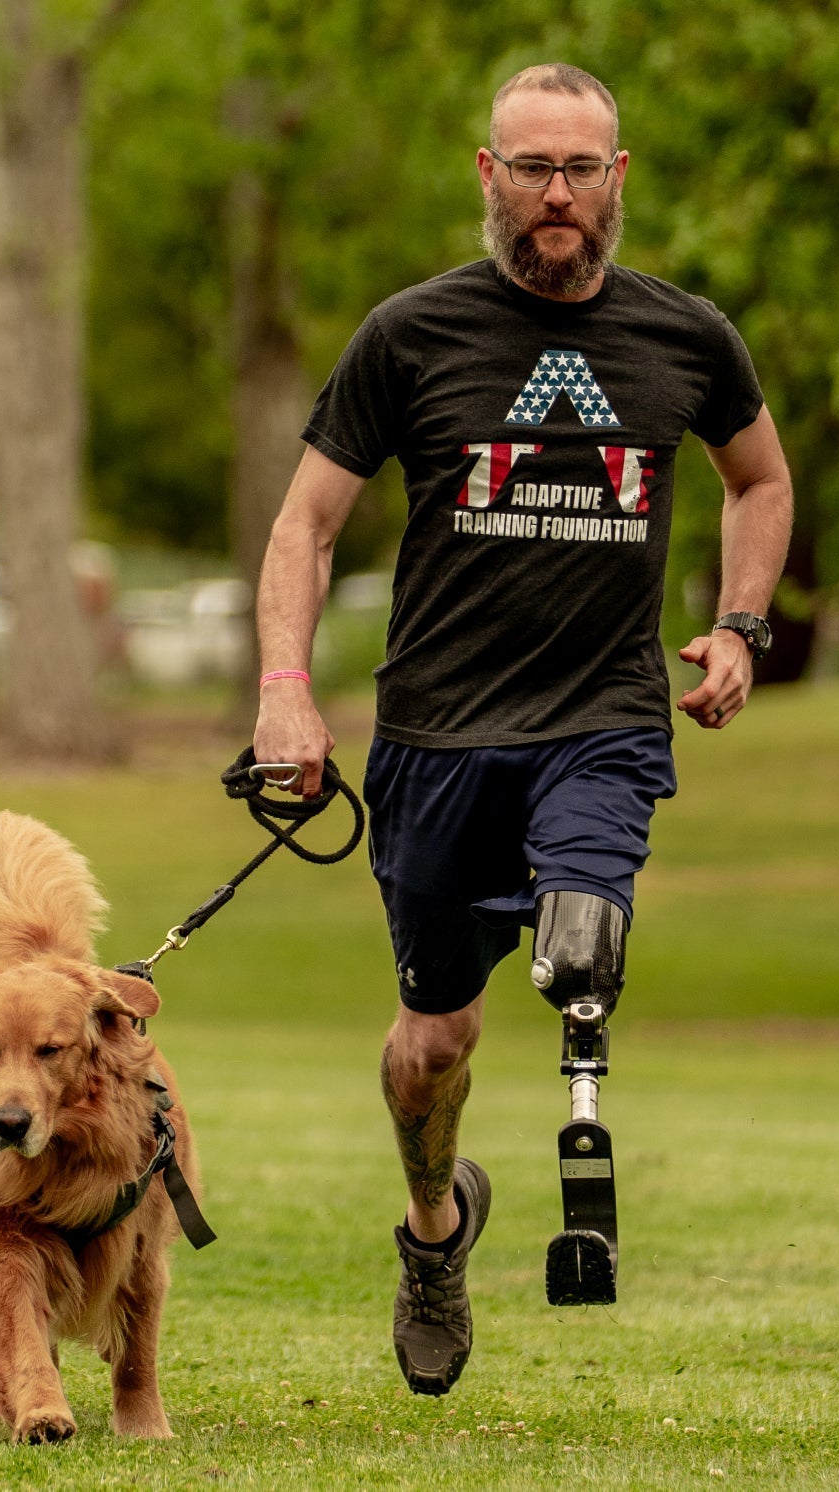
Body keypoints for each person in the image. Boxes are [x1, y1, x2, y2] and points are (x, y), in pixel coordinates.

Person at [250, 62, 794, 1395]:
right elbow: (305, 526)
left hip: (601, 719)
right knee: (431, 1046)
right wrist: (284, 689)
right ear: (488, 175)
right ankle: (435, 1229)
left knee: (582, 933)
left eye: (581, 168)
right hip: (435, 740)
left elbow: (760, 480)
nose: (559, 192)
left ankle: (584, 1125)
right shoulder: (410, 334)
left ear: (619, 178)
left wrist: (739, 625)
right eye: (534, 167)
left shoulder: (687, 338)